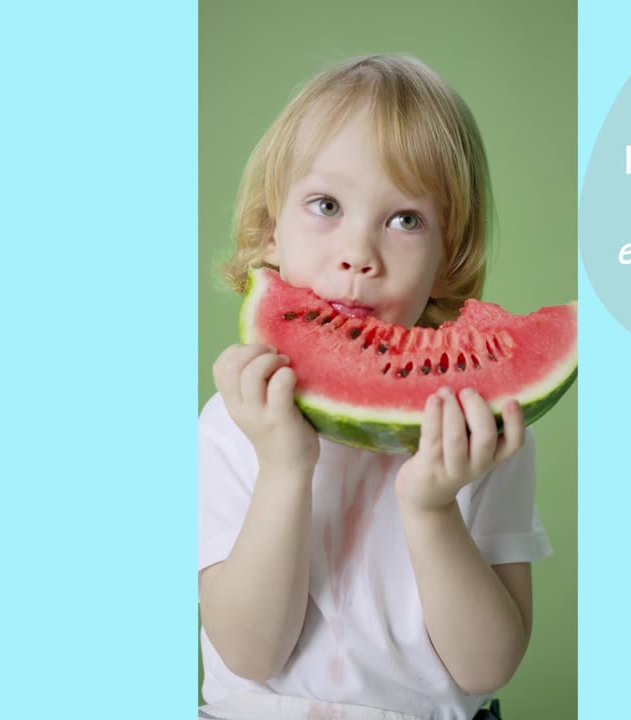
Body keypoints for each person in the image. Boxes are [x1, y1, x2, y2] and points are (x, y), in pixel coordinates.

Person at [199, 55, 551, 720]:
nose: (359, 252)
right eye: (326, 205)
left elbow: (488, 666)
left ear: (451, 255)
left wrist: (433, 506)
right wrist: (282, 468)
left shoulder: (483, 435)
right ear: (272, 228)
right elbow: (249, 654)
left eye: (406, 219)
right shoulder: (229, 423)